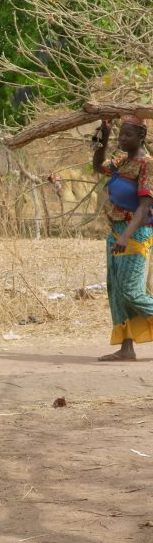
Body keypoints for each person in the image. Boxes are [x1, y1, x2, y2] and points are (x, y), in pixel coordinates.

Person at [92, 114, 153, 361]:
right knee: (116, 290)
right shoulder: (121, 162)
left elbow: (145, 206)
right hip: (116, 232)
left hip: (135, 233)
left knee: (131, 291)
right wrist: (102, 139)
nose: (123, 138)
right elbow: (98, 167)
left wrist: (127, 236)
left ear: (141, 137)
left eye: (128, 134)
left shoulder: (147, 164)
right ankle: (126, 347)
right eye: (120, 134)